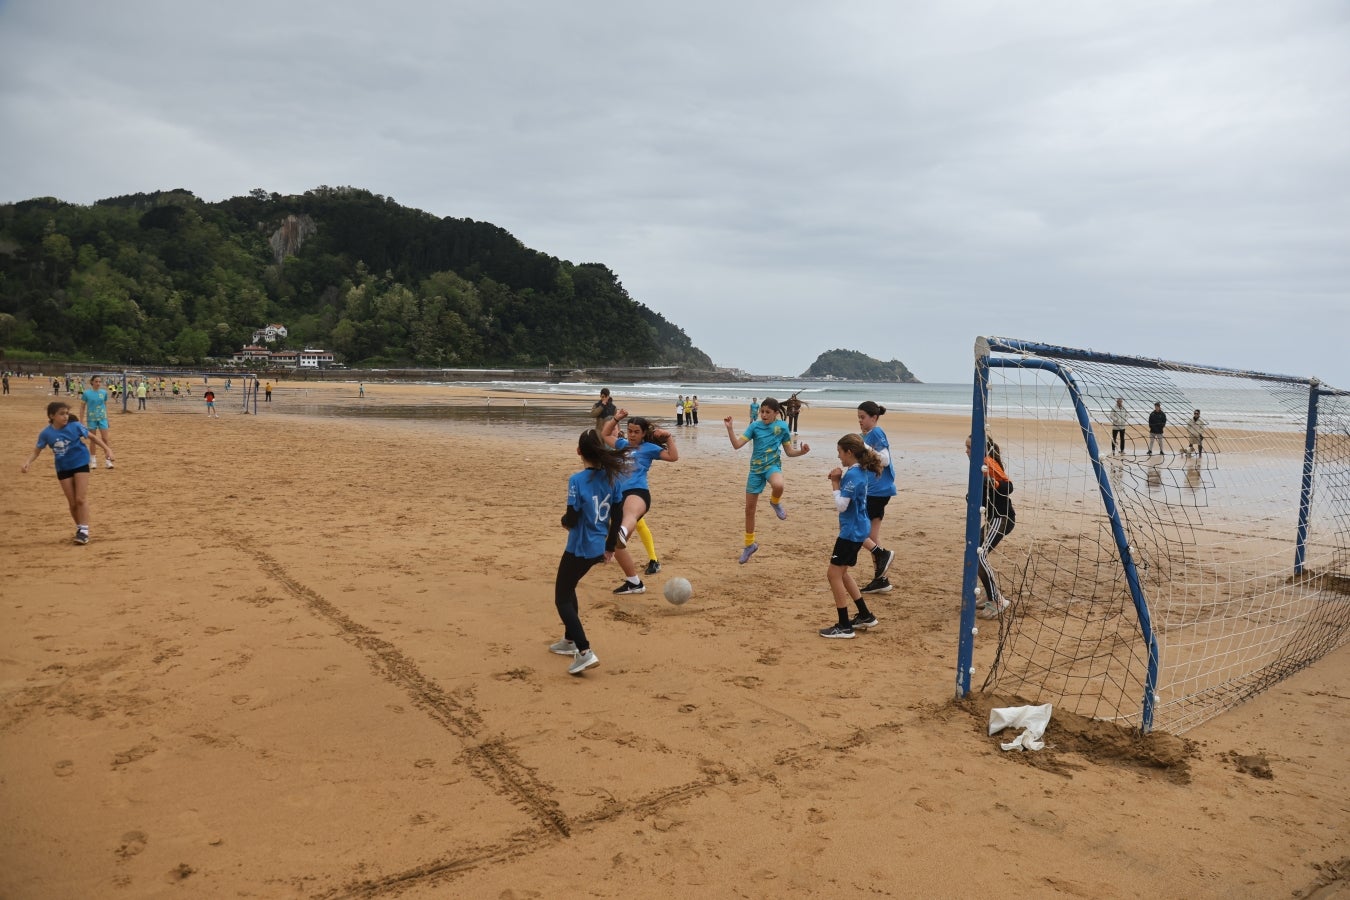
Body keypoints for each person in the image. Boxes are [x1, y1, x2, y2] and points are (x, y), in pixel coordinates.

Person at [550, 428, 629, 676]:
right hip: (597, 545)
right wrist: (610, 548)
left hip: (580, 546)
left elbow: (572, 518)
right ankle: (569, 639)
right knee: (569, 586)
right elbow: (617, 517)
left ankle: (584, 650)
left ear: (579, 452)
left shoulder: (577, 480)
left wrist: (564, 521)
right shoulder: (612, 478)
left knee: (561, 596)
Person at [724, 397, 811, 564]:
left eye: (767, 412)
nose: (763, 415)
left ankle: (775, 502)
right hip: (755, 471)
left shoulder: (782, 427)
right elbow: (737, 445)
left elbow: (789, 452)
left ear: (776, 413)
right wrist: (730, 429)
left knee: (779, 484)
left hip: (772, 467)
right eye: (761, 412)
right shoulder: (755, 426)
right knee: (749, 510)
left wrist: (802, 452)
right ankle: (749, 545)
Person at [602, 411, 679, 592]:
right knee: (617, 546)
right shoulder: (621, 445)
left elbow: (673, 457)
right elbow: (605, 434)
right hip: (619, 496)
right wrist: (616, 419)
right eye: (630, 431)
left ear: (644, 433)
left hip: (638, 493)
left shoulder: (649, 448)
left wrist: (668, 438)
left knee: (629, 513)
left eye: (636, 432)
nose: (632, 435)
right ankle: (634, 583)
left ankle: (621, 531)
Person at [820, 434, 885, 638]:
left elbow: (842, 505)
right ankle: (865, 614)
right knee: (843, 573)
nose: (839, 457)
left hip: (851, 532)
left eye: (840, 452)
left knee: (833, 575)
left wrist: (835, 482)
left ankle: (844, 625)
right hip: (857, 529)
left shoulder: (853, 476)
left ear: (849, 452)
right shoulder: (860, 471)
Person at [21, 401, 115, 544]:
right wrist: (28, 462)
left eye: (67, 413)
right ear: (52, 416)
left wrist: (107, 449)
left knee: (80, 499)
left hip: (80, 463)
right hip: (63, 468)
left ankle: (84, 531)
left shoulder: (75, 426)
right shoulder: (46, 433)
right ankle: (79, 528)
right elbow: (37, 450)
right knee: (72, 503)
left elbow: (93, 437)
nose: (65, 417)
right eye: (61, 414)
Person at [966, 434, 1015, 619]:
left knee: (979, 555)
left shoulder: (988, 462)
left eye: (970, 447)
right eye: (967, 447)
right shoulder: (978, 466)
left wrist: (992, 483)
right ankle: (989, 592)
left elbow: (1008, 486)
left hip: (1001, 518)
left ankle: (998, 600)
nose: (967, 451)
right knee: (973, 552)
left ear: (982, 449)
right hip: (993, 518)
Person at [856, 401, 897, 594]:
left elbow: (885, 459)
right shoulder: (867, 435)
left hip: (878, 491)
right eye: (859, 418)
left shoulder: (877, 433)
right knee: (872, 536)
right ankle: (881, 580)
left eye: (863, 417)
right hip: (876, 490)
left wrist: (862, 445)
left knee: (857, 531)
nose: (860, 421)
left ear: (874, 417)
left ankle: (883, 554)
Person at [80, 375, 114, 469]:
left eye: (99, 381)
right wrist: (81, 421)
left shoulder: (104, 393)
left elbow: (105, 405)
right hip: (91, 419)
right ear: (92, 382)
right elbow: (82, 407)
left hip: (103, 418)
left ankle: (108, 461)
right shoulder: (86, 393)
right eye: (96, 381)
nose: (98, 383)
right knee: (93, 440)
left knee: (105, 439)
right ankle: (93, 461)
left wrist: (107, 419)